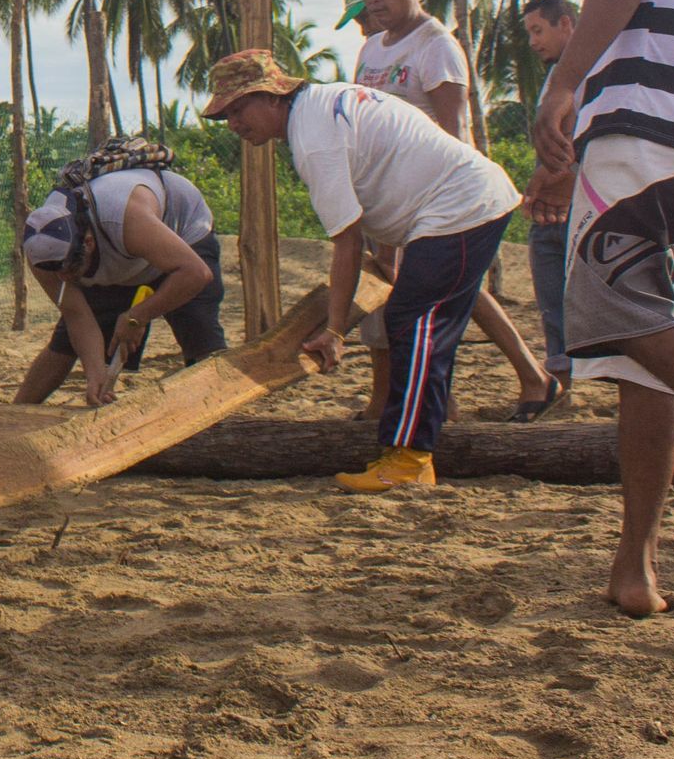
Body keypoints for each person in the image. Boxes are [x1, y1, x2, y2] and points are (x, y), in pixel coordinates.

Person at [532, 0, 674, 618]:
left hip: (653, 123)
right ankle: (635, 567)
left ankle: (638, 561)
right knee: (647, 351)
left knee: (612, 308)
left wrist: (566, 80)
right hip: (660, 126)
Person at [208, 49, 519, 493]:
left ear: (273, 96)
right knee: (423, 326)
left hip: (461, 207)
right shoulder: (324, 103)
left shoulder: (313, 137)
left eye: (239, 109)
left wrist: (335, 330)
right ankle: (421, 444)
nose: (234, 123)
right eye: (225, 116)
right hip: (461, 204)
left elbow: (348, 242)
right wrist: (388, 264)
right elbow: (387, 171)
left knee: (414, 323)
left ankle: (410, 458)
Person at [349, 0, 554, 419]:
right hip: (390, 192)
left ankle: (516, 380)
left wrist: (444, 199)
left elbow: (454, 130)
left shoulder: (435, 45)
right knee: (418, 288)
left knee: (431, 291)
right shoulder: (372, 48)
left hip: (434, 192)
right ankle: (396, 395)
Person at [15, 166, 224, 406]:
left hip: (181, 239)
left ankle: (220, 417)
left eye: (69, 268)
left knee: (199, 332)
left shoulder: (124, 219)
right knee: (64, 345)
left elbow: (196, 273)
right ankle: (10, 419)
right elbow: (77, 316)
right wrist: (95, 374)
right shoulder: (41, 250)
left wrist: (138, 316)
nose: (63, 278)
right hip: (122, 256)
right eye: (56, 271)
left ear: (89, 242)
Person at [517, 0, 578, 422]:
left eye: (539, 30)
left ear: (567, 25)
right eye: (530, 33)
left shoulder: (587, 72)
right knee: (551, 299)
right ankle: (561, 383)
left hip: (582, 200)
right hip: (554, 200)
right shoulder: (555, 75)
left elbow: (573, 139)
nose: (534, 41)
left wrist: (545, 181)